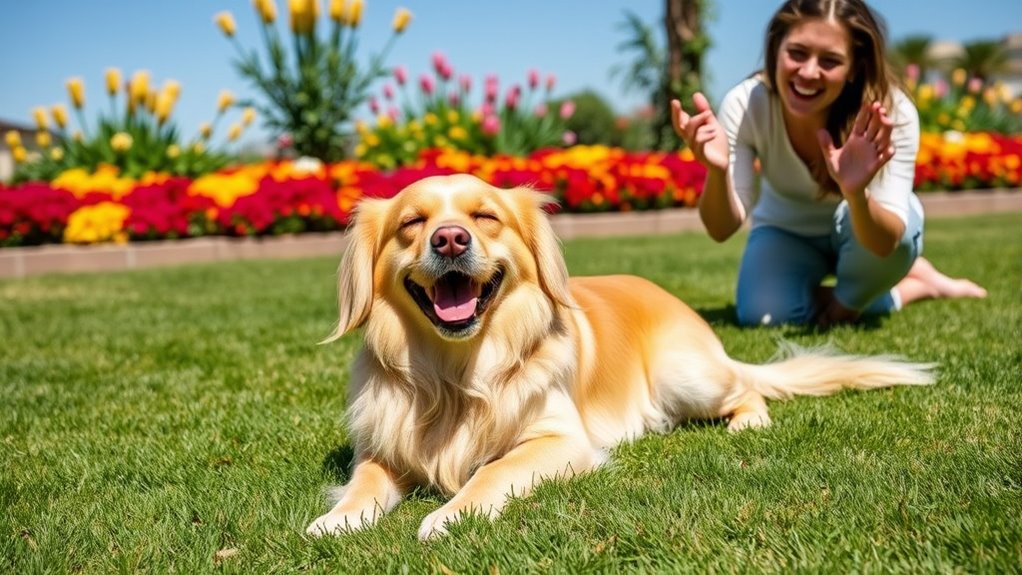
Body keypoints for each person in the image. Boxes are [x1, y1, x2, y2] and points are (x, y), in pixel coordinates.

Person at [671, 0, 986, 327]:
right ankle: (917, 284)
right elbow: (721, 229)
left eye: (830, 60)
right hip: (786, 231)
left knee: (897, 243)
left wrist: (856, 195)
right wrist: (718, 172)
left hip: (866, 236)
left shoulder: (893, 111)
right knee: (763, 316)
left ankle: (859, 292)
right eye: (797, 52)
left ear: (854, 67)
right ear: (776, 47)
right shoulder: (746, 103)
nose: (808, 72)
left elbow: (887, 242)